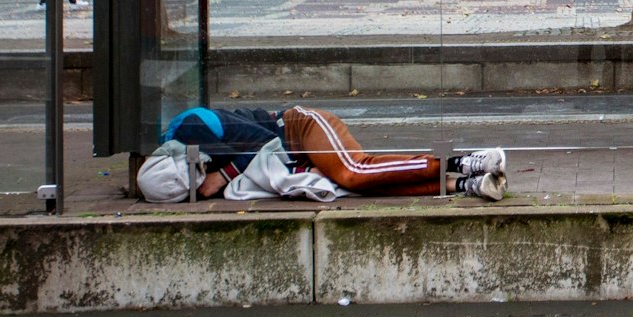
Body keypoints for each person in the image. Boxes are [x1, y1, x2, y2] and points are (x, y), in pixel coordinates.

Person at [149, 105, 507, 201]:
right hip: (293, 155)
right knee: (357, 186)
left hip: (299, 128)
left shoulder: (193, 126)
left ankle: (462, 161)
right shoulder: (179, 155)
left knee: (355, 172)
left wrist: (222, 175)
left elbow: (264, 141)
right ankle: (465, 185)